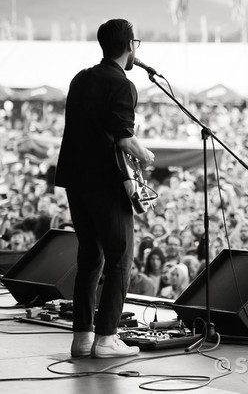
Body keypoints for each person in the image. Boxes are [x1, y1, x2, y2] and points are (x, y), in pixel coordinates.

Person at [56, 19, 154, 359]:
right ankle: (106, 338)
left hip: (75, 179)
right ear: (129, 45)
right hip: (105, 182)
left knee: (90, 256)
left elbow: (93, 131)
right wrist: (146, 155)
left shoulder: (81, 78)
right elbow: (123, 137)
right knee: (119, 260)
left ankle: (82, 336)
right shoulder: (122, 85)